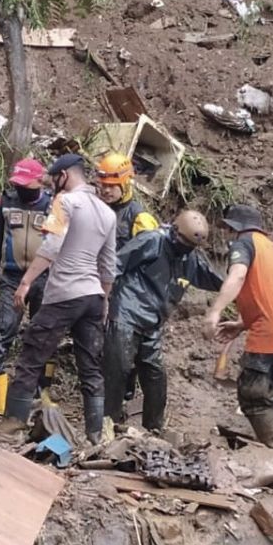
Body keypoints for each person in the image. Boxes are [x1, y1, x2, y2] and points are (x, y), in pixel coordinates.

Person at [0, 153, 117, 443]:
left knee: (32, 353)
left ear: (65, 175)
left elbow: (52, 245)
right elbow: (109, 264)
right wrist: (105, 300)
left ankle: (12, 424)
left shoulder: (64, 203)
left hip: (64, 293)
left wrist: (25, 282)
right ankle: (95, 434)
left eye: (54, 179)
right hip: (92, 296)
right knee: (90, 364)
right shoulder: (107, 212)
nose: (52, 185)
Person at [103, 210, 225, 430]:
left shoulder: (190, 257)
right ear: (175, 231)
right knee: (117, 371)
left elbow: (214, 279)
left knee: (155, 375)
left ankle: (154, 428)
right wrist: (103, 298)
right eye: (184, 242)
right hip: (127, 313)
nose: (186, 248)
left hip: (153, 323)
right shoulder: (152, 240)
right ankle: (106, 426)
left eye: (191, 246)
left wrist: (240, 280)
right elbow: (116, 264)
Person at [203, 204, 273, 450]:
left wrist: (214, 311)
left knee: (253, 397)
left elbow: (238, 276)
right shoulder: (269, 247)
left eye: (227, 229)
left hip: (270, 330)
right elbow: (269, 291)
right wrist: (242, 324)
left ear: (234, 228)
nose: (226, 234)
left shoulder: (243, 244)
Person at [0, 159, 52, 398]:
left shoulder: (54, 206)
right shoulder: (6, 203)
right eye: (18, 184)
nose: (21, 189)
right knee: (2, 331)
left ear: (39, 182)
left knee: (43, 334)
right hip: (12, 276)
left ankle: (39, 392)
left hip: (45, 278)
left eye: (26, 184)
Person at [93, 151, 159, 403]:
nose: (106, 191)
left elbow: (150, 261)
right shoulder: (98, 209)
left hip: (126, 294)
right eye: (103, 186)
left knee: (123, 350)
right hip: (98, 285)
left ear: (125, 183)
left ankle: (123, 397)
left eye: (112, 186)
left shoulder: (140, 218)